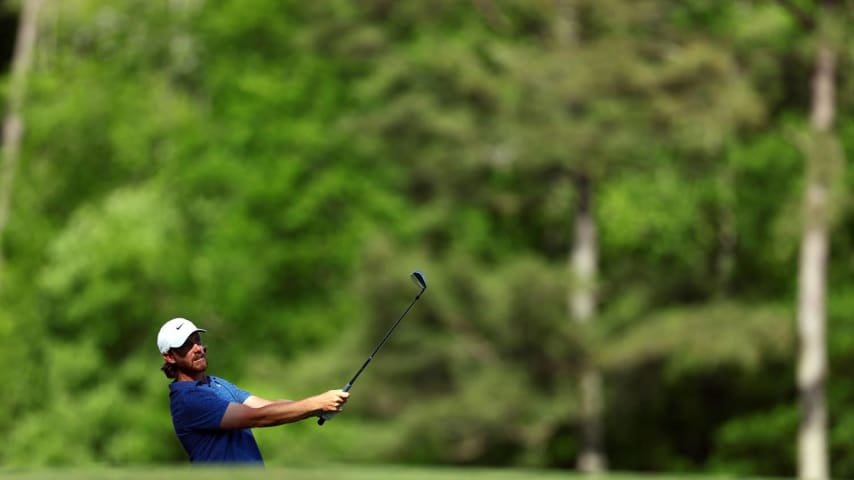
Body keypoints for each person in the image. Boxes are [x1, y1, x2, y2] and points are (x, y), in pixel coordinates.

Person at [157, 317, 349, 464]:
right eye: (186, 346)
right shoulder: (187, 399)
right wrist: (316, 403)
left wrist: (316, 409)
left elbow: (266, 405)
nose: (197, 348)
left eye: (197, 340)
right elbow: (258, 417)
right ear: (170, 356)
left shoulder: (216, 383)